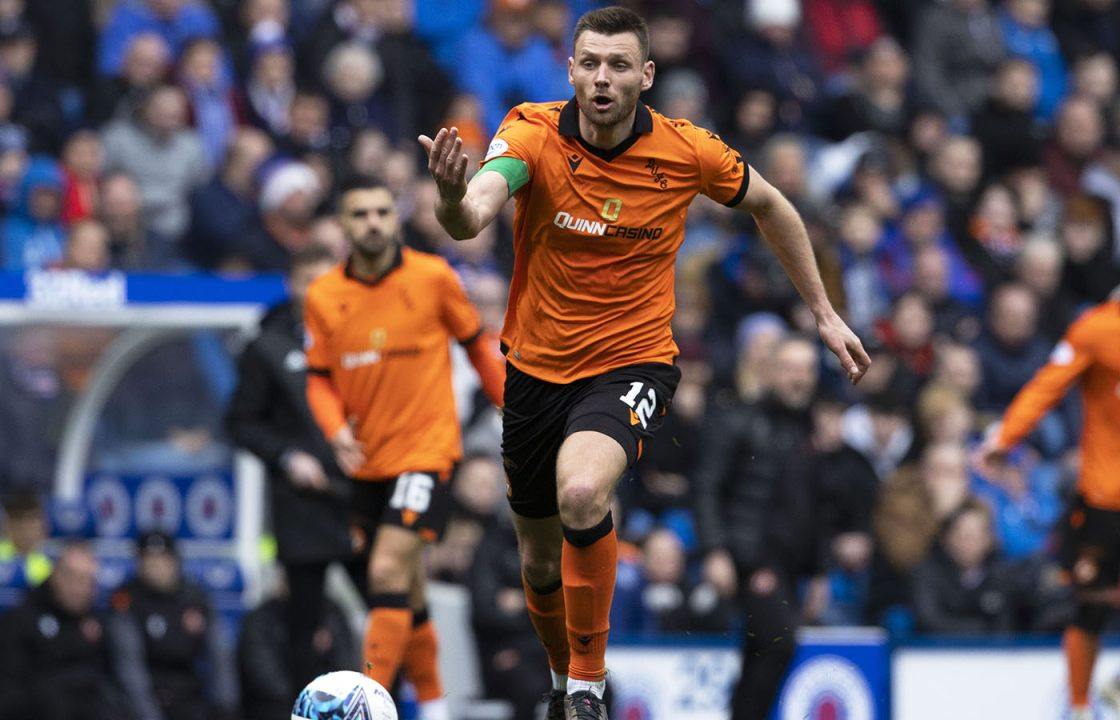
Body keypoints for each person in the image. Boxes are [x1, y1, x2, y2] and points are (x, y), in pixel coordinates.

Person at [418, 9, 869, 717]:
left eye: (619, 65)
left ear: (646, 76)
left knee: (582, 493)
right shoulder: (532, 132)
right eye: (590, 63)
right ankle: (564, 679)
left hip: (633, 363)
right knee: (538, 562)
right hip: (535, 372)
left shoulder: (687, 150)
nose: (603, 78)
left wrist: (822, 311)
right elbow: (474, 211)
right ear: (570, 70)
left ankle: (590, 686)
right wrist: (451, 193)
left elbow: (773, 205)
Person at [303, 176, 506, 720]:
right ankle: (435, 704)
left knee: (387, 572)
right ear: (343, 226)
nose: (372, 223)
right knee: (408, 589)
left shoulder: (433, 277)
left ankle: (365, 703)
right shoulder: (323, 297)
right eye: (359, 214)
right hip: (366, 463)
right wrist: (333, 429)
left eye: (381, 212)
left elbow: (478, 348)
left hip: (427, 451)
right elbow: (318, 377)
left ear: (395, 218)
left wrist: (518, 409)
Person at [976, 289, 1120, 720]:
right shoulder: (1097, 330)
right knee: (1090, 604)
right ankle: (1079, 708)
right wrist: (1005, 437)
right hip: (1104, 498)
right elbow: (1047, 385)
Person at [226, 243, 362, 693]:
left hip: (361, 499)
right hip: (302, 507)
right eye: (310, 281)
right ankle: (309, 707)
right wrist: (288, 458)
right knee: (304, 626)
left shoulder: (366, 334)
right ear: (293, 285)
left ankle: (388, 704)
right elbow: (240, 422)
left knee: (389, 610)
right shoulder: (268, 345)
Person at [692, 336, 826, 719]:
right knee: (779, 642)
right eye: (790, 369)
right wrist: (715, 550)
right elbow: (707, 487)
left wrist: (818, 571)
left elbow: (815, 506)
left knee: (761, 654)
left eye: (807, 370)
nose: (799, 379)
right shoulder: (738, 420)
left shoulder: (810, 431)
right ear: (770, 372)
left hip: (790, 566)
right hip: (751, 560)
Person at [107, 531, 237, 720]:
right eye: (149, 560)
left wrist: (225, 708)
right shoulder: (126, 600)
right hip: (146, 697)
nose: (156, 567)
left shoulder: (194, 597)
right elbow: (130, 671)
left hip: (190, 696)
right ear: (138, 563)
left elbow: (220, 654)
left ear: (175, 561)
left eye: (162, 560)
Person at [0, 541, 132, 720]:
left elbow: (117, 685)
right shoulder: (20, 620)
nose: (80, 588)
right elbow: (9, 695)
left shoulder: (100, 623)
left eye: (87, 580)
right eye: (73, 577)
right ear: (55, 576)